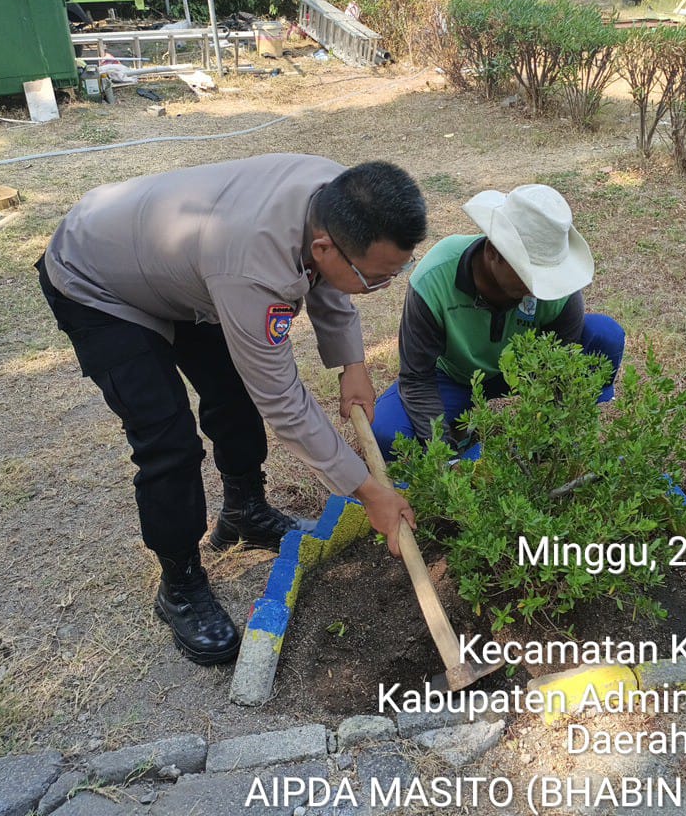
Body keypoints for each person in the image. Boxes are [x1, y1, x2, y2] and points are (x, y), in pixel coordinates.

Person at [37, 154, 427, 666]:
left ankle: (243, 511)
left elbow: (330, 277)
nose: (379, 289)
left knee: (232, 394)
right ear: (324, 245)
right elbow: (283, 400)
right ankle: (179, 584)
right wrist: (367, 489)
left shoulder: (341, 196)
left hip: (184, 267)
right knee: (167, 438)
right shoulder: (251, 269)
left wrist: (352, 363)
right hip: (97, 280)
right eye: (375, 279)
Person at [371, 183, 625, 459]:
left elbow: (561, 369)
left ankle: (553, 448)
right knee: (388, 433)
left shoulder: (558, 292)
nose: (535, 289)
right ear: (493, 252)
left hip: (526, 371)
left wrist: (546, 436)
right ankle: (459, 431)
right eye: (527, 275)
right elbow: (417, 378)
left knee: (605, 335)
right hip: (455, 377)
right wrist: (446, 454)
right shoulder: (434, 280)